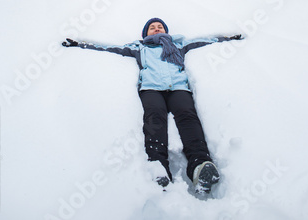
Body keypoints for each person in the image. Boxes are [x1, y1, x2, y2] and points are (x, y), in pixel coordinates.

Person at [62, 18, 243, 193]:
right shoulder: (139, 47)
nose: (157, 29)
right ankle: (159, 165)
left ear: (166, 30)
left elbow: (205, 41)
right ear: (145, 33)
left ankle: (200, 164)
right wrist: (80, 44)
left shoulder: (178, 44)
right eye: (152, 27)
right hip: (151, 89)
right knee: (155, 116)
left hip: (178, 88)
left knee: (188, 115)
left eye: (160, 27)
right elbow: (109, 48)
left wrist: (228, 38)